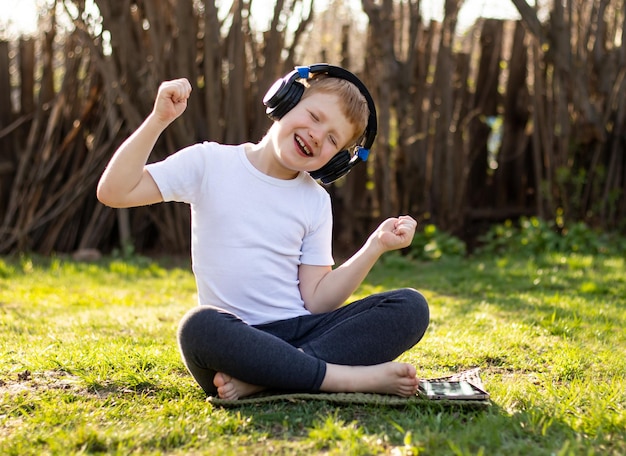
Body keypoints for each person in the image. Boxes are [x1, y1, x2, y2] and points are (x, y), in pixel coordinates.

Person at [97, 64, 429, 400]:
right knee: (198, 327)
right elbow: (115, 192)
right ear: (285, 100)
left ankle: (269, 380)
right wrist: (159, 119)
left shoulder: (314, 201)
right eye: (314, 117)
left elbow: (316, 302)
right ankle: (346, 379)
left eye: (332, 139)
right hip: (235, 341)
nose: (317, 135)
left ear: (336, 162)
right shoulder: (209, 163)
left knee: (411, 306)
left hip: (300, 333)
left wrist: (374, 246)